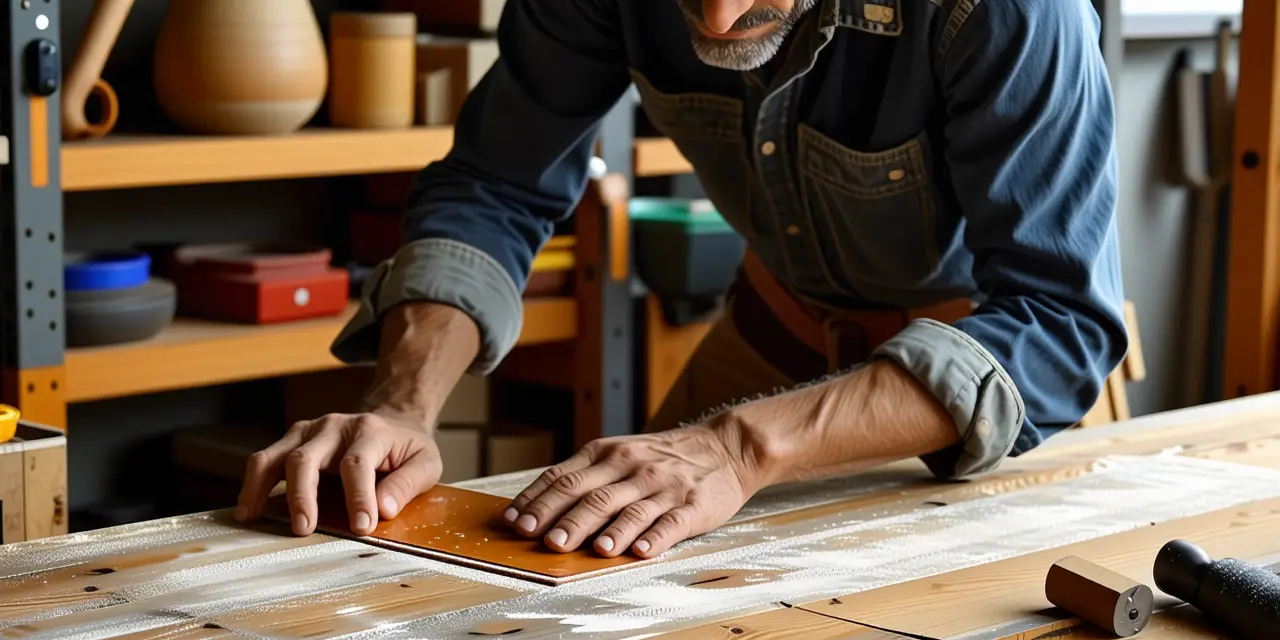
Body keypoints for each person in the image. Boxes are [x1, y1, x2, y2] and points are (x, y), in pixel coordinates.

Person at [236, 0, 1127, 561]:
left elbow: (1057, 324)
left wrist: (736, 450)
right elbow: (496, 182)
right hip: (771, 339)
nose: (718, 16)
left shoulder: (1008, 11)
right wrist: (402, 406)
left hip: (979, 398)